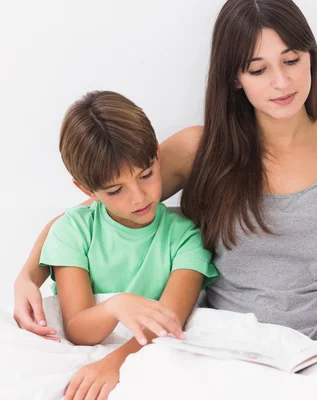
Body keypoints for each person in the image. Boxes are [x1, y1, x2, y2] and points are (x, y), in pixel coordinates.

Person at [13, 0, 317, 344]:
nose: (282, 82)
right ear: (235, 77)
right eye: (259, 69)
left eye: (292, 60)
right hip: (223, 344)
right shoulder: (198, 149)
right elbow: (99, 207)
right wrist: (26, 277)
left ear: (311, 57)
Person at [40, 91, 218, 399]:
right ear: (87, 190)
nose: (138, 197)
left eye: (146, 175)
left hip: (147, 352)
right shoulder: (73, 231)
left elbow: (168, 323)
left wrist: (115, 364)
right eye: (115, 190)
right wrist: (118, 305)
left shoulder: (186, 237)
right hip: (92, 353)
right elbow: (79, 331)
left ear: (158, 159)